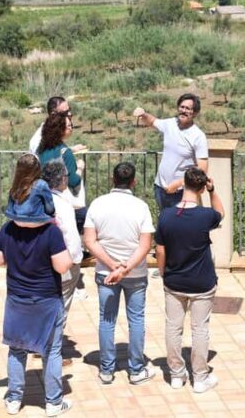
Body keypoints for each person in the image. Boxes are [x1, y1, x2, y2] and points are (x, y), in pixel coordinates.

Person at [0, 185, 74, 416]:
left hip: (17, 299)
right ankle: (53, 402)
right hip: (46, 300)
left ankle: (14, 399)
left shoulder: (8, 229)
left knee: (17, 350)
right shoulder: (50, 233)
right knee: (51, 351)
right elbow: (62, 265)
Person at [83, 162, 157, 385]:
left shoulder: (97, 204)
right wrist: (126, 268)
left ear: (112, 179)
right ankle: (136, 369)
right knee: (136, 320)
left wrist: (112, 265)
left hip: (106, 273)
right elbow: (145, 246)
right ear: (133, 181)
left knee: (107, 320)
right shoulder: (141, 207)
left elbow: (89, 241)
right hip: (135, 274)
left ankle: (106, 370)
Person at [155, 167, 224, 394]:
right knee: (200, 329)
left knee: (173, 328)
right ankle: (200, 378)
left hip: (174, 281)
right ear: (203, 187)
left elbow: (161, 250)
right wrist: (213, 192)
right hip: (202, 282)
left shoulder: (166, 216)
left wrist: (164, 273)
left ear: (183, 184)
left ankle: (176, 374)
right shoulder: (205, 217)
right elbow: (220, 212)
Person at [133, 93, 208, 211]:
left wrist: (178, 184)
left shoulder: (198, 136)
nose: (183, 110)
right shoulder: (170, 124)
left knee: (180, 226)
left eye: (188, 108)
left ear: (195, 113)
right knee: (164, 222)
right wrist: (143, 114)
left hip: (182, 192)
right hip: (160, 188)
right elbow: (152, 121)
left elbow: (202, 170)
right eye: (182, 107)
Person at [42, 161, 82, 367]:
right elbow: (69, 236)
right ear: (62, 179)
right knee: (60, 309)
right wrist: (75, 261)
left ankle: (44, 344)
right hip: (63, 264)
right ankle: (52, 351)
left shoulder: (41, 199)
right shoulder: (62, 205)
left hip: (45, 263)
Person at [36, 111, 86, 231]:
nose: (71, 128)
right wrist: (80, 167)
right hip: (66, 201)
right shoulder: (65, 152)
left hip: (46, 199)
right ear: (60, 130)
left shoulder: (41, 149)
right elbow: (73, 181)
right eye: (69, 126)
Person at [4, 153, 55, 226]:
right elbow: (50, 210)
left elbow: (9, 210)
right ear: (37, 168)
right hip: (36, 221)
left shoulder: (15, 185)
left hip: (17, 221)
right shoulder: (41, 184)